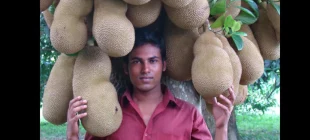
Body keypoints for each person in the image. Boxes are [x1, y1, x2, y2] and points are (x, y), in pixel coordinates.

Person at [66, 28, 235, 140]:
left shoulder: (189, 114)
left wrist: (221, 127)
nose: (145, 69)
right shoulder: (107, 113)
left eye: (153, 61)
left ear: (164, 66)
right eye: (137, 62)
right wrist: (73, 135)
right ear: (126, 68)